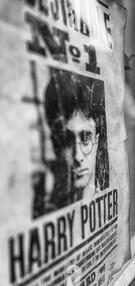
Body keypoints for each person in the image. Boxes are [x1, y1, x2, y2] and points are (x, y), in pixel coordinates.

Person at [39, 68, 109, 215]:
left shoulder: (106, 203)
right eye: (67, 140)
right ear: (55, 144)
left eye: (86, 138)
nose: (78, 156)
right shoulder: (49, 211)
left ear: (96, 142)